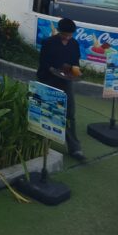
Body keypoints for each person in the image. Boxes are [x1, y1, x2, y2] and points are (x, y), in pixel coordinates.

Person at [37, 17, 85, 160]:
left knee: (70, 113)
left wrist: (75, 71)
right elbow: (43, 62)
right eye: (65, 35)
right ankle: (40, 143)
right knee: (46, 111)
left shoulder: (74, 44)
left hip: (66, 80)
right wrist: (53, 70)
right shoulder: (49, 42)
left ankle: (74, 147)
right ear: (59, 31)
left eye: (70, 35)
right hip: (48, 79)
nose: (68, 38)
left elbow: (75, 62)